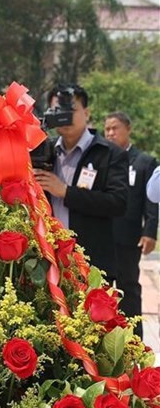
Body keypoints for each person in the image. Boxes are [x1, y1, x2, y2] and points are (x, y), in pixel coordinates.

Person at [34, 84, 128, 282]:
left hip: (92, 264)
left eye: (71, 110)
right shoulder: (43, 151)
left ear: (86, 113)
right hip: (49, 263)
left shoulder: (109, 153)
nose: (65, 116)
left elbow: (118, 203)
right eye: (58, 111)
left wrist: (66, 192)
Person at [104, 112, 158, 337]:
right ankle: (103, 340)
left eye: (115, 128)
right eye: (106, 129)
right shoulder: (102, 159)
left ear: (128, 129)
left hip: (129, 236)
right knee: (101, 290)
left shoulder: (144, 162)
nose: (110, 133)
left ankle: (135, 341)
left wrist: (150, 232)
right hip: (102, 236)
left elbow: (152, 200)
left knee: (129, 288)